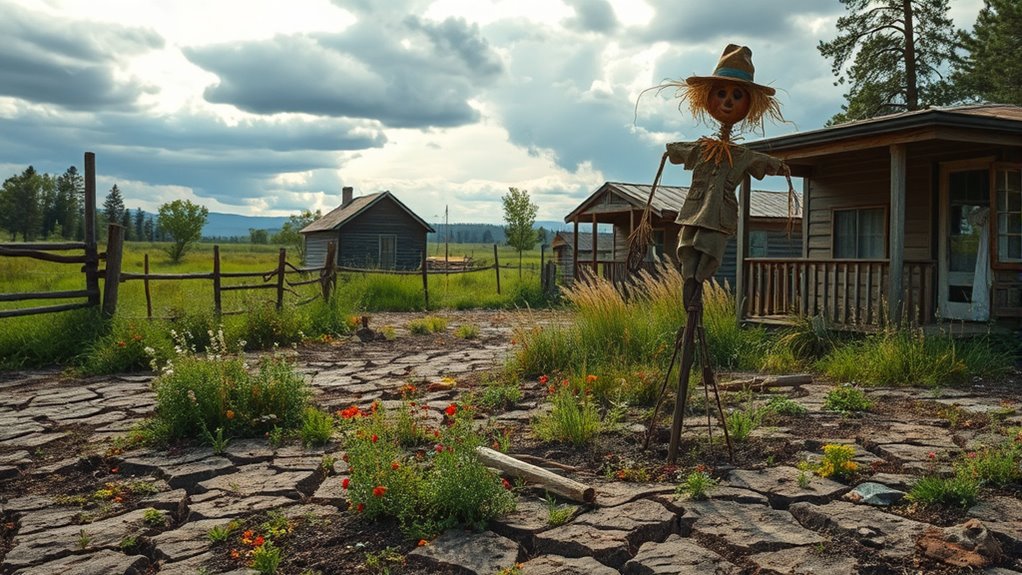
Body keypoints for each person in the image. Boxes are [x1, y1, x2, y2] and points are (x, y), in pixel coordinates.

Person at [653, 45, 792, 303]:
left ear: (749, 103)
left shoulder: (740, 156)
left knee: (710, 248)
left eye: (737, 95)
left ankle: (696, 283)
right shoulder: (702, 149)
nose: (728, 101)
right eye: (721, 93)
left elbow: (761, 161)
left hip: (719, 213)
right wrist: (670, 151)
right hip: (694, 210)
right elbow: (680, 150)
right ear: (708, 97)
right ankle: (689, 282)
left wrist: (779, 166)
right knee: (687, 245)